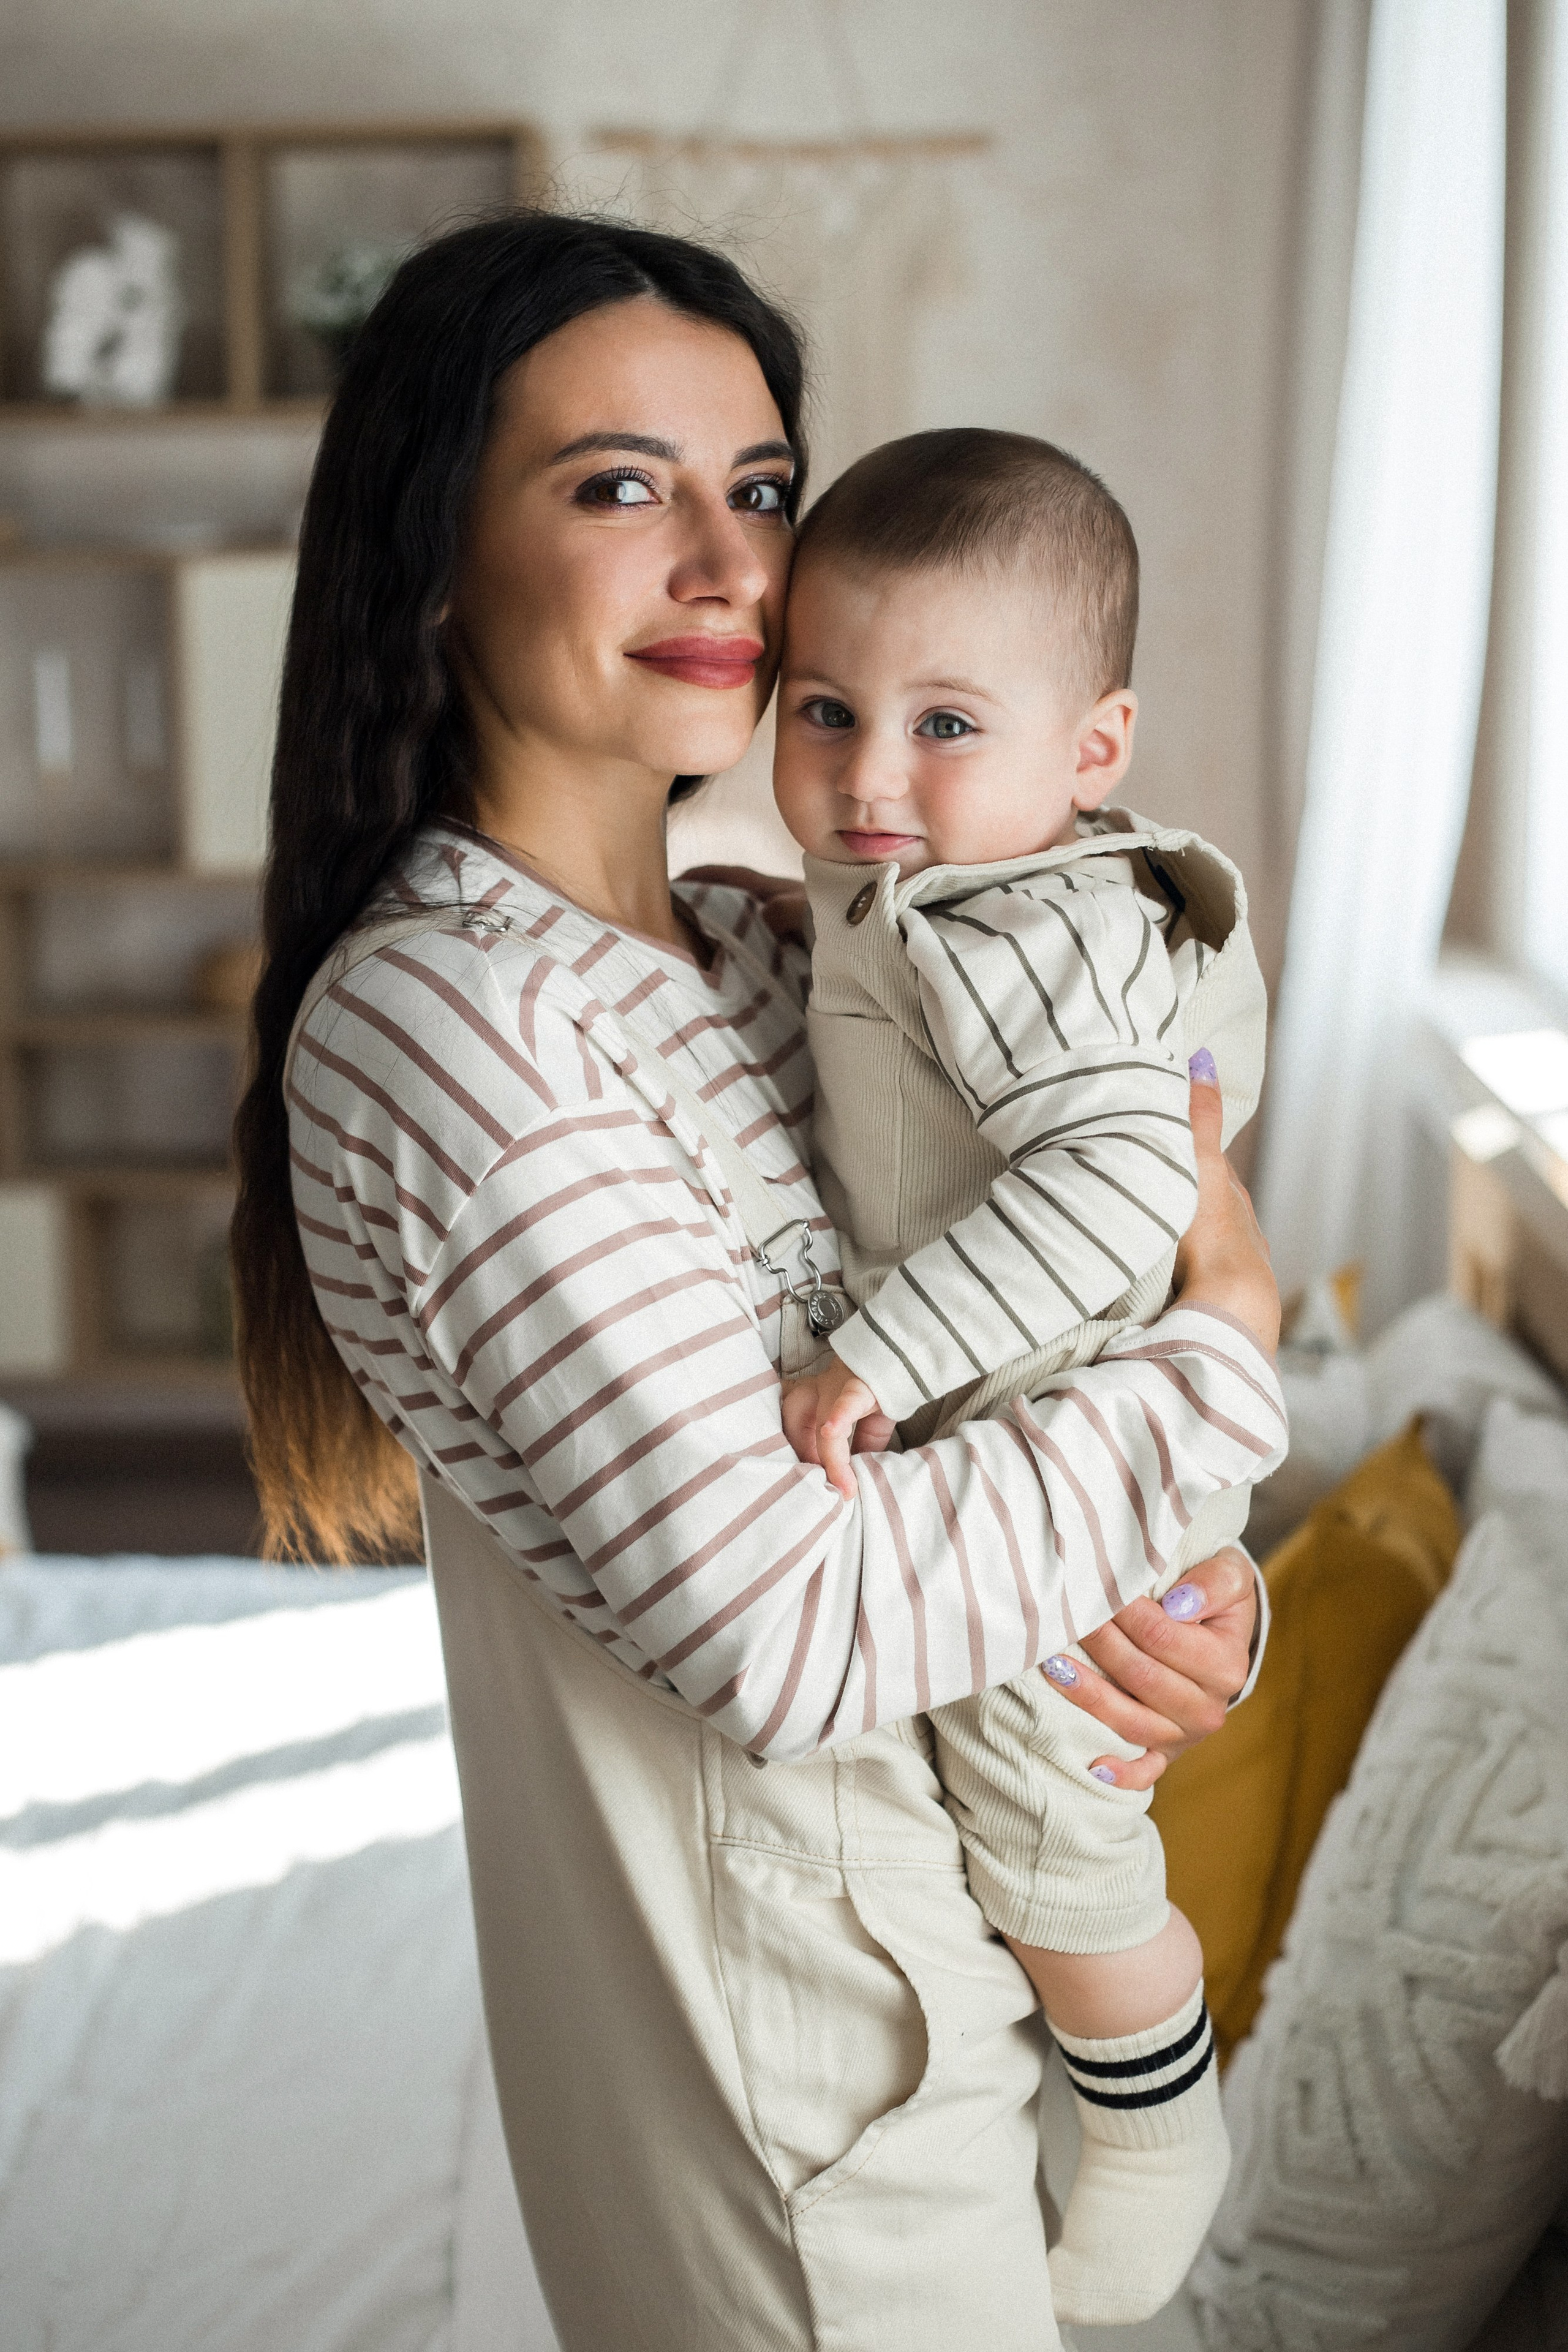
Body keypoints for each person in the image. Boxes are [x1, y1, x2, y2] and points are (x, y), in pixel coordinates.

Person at [231, 211, 1285, 2352]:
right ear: (434, 555)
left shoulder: (760, 956)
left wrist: (1189, 1605)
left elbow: (1005, 1401)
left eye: (764, 489)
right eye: (621, 486)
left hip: (930, 1988)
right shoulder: (452, 1024)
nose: (729, 564)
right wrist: (1227, 1372)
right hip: (794, 2093)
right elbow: (789, 1624)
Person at [769, 426, 1270, 2327]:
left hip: (1078, 1442)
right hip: (1066, 1421)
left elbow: (1136, 1174)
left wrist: (884, 1347)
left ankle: (1157, 2122)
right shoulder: (944, 890)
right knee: (1019, 1806)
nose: (873, 777)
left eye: (947, 724)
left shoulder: (1011, 928)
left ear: (1095, 749)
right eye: (827, 708)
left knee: (1058, 1827)